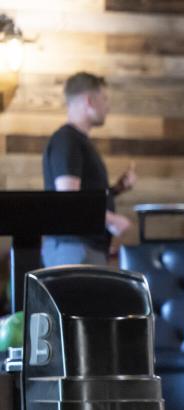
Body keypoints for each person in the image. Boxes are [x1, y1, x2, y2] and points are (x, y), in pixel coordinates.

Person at [42, 71, 136, 266]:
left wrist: (116, 189)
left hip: (83, 247)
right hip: (73, 248)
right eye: (104, 98)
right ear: (89, 101)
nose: (107, 107)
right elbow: (69, 200)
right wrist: (112, 220)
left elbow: (83, 196)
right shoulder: (67, 140)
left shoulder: (77, 141)